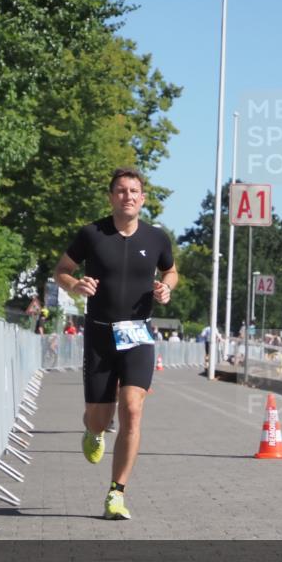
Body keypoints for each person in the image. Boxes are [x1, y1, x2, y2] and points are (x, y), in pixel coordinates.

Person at [54, 167, 177, 520]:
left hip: (138, 333)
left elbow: (171, 270)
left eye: (134, 190)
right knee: (99, 417)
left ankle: (116, 494)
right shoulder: (92, 234)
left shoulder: (157, 238)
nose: (128, 196)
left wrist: (167, 286)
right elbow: (61, 269)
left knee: (133, 409)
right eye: (121, 190)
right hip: (99, 333)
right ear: (111, 197)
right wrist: (73, 284)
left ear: (143, 198)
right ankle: (93, 429)